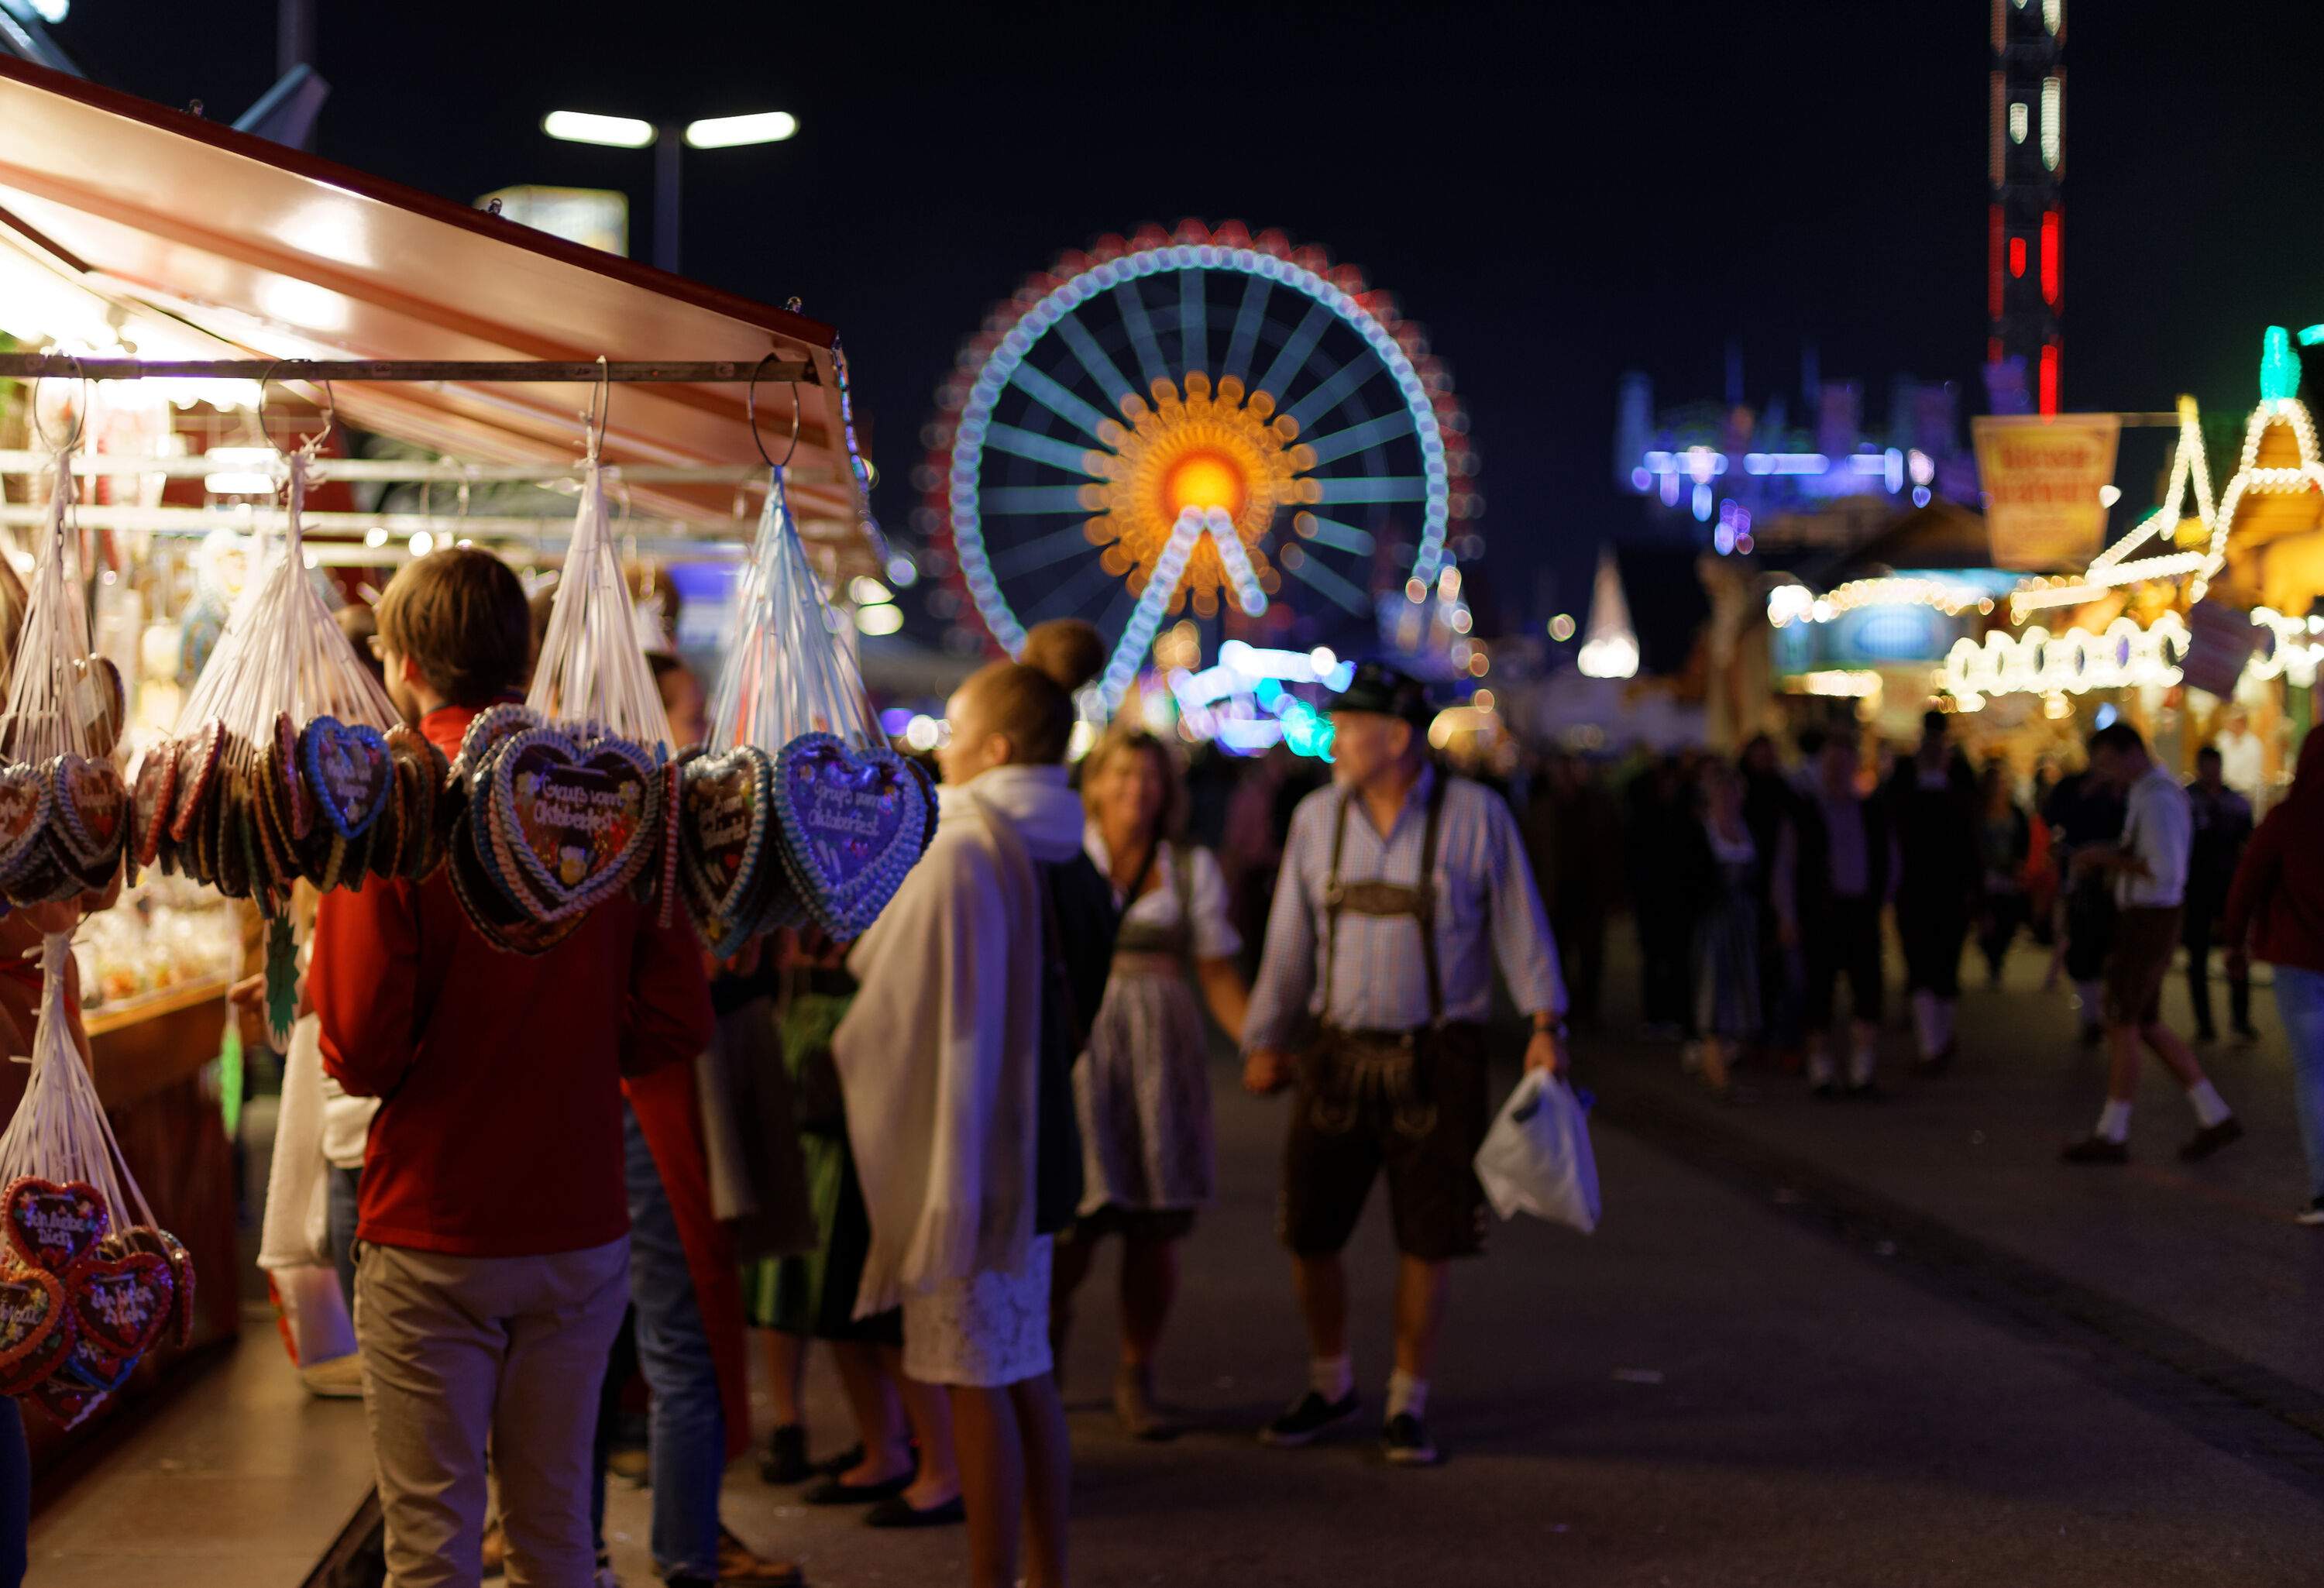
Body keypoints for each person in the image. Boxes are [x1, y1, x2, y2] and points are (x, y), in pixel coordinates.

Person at [311, 548, 717, 1588]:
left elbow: (356, 1048)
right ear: (525, 655)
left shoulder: (399, 800)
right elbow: (677, 1009)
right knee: (555, 1537)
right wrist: (577, 1052)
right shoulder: (599, 799)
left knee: (432, 1549)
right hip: (578, 1221)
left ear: (401, 660)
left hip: (432, 1220)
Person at [832, 620, 1113, 1588]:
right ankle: (1045, 1568)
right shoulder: (1069, 854)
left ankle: (992, 1574)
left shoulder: (965, 850)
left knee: (975, 1377)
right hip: (1041, 1146)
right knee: (1025, 1367)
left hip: (976, 1151)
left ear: (996, 748)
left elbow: (896, 993)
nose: (939, 744)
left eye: (953, 726)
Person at [1242, 661, 1567, 1468]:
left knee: (1430, 1237)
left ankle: (1406, 1399)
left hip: (1437, 1054)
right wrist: (1264, 1036)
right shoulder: (1317, 819)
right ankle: (1332, 1379)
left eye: (1351, 728)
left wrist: (1545, 1021)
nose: (1336, 740)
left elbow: (1520, 922)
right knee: (1309, 1226)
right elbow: (1289, 940)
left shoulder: (1477, 815)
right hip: (1335, 1050)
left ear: (1395, 738)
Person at [1052, 727, 1250, 1438]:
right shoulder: (1064, 856)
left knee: (1153, 1228)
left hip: (1160, 1056)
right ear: (1094, 784)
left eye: (1150, 779)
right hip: (1082, 1049)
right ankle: (1042, 1369)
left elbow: (1218, 971)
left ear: (1168, 792)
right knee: (1068, 1225)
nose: (1136, 790)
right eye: (1122, 776)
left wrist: (1258, 1042)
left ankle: (1137, 1372)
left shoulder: (1191, 870)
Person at [2060, 723, 2242, 1165]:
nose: (2105, 775)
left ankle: (2113, 1131)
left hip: (2149, 920)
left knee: (2123, 1020)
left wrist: (2104, 858)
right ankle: (2212, 1114)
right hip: (2149, 917)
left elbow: (2161, 869)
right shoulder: (2150, 792)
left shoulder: (2158, 797)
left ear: (2128, 754)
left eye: (2106, 764)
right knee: (2144, 1023)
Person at [2223, 729, 2324, 1221]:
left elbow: (2246, 884)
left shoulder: (2287, 820)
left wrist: (2234, 945)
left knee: (2315, 1075)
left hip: (2300, 961)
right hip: (2298, 960)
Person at [1779, 729, 1893, 1097]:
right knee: (1819, 990)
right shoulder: (1806, 813)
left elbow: (1890, 861)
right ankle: (1821, 1067)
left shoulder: (1870, 811)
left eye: (1844, 763)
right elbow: (1786, 867)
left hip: (1859, 910)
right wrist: (1787, 914)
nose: (1837, 770)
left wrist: (1881, 900)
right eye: (1831, 763)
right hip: (1821, 913)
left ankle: (1863, 1068)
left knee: (1867, 989)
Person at [1888, 711, 1979, 1072]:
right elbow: (1972, 840)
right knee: (1936, 964)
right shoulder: (1950, 781)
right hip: (1937, 890)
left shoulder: (1912, 781)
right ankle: (1935, 1041)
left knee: (1930, 964)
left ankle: (1934, 1042)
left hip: (1926, 890)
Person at [1683, 758, 1762, 1097]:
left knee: (1738, 991)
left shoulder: (1746, 828)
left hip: (1741, 921)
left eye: (1733, 791)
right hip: (1713, 922)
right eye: (1721, 791)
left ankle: (1714, 1064)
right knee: (1713, 991)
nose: (1728, 798)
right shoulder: (1703, 831)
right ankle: (1717, 1073)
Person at [2044, 748, 2124, 1045]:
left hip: (2114, 878)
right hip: (2079, 878)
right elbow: (2051, 816)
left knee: (2109, 947)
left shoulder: (2121, 789)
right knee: (2082, 945)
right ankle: (2091, 1015)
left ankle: (2104, 1013)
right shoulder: (2072, 786)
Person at [2184, 745, 2257, 1043]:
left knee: (2235, 951)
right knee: (2198, 957)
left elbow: (2248, 844)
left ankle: (2239, 1019)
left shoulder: (2235, 803)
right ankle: (2205, 1024)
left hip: (2227, 885)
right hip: (2198, 886)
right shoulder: (2188, 800)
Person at [1624, 754, 1695, 1038]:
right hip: (1652, 898)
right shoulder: (1647, 817)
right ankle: (1655, 1013)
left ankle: (1674, 1013)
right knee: (1654, 958)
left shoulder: (1682, 815)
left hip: (1675, 897)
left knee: (1676, 958)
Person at [1973, 763, 2034, 986]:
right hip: (1987, 874)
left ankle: (1998, 958)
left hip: (2008, 873)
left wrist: (2020, 864)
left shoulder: (2015, 812)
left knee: (2008, 918)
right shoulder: (1979, 812)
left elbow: (2024, 840)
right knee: (1989, 918)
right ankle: (1993, 961)